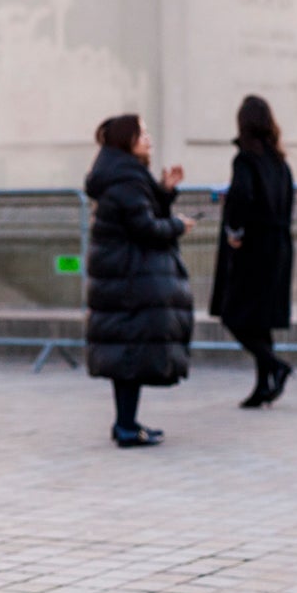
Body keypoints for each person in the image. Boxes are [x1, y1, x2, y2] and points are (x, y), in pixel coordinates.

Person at [84, 114, 195, 447]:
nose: (149, 139)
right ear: (126, 141)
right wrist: (178, 225)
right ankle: (126, 427)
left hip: (124, 276)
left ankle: (127, 423)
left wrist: (163, 192)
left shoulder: (123, 175)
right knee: (130, 352)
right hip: (129, 277)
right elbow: (145, 228)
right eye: (142, 134)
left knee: (128, 351)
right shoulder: (126, 179)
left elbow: (139, 213)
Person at [210, 95, 296, 409]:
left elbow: (244, 195)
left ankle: (274, 364)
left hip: (253, 248)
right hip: (278, 247)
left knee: (233, 315)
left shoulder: (246, 159)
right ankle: (262, 385)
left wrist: (235, 230)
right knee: (260, 320)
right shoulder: (279, 161)